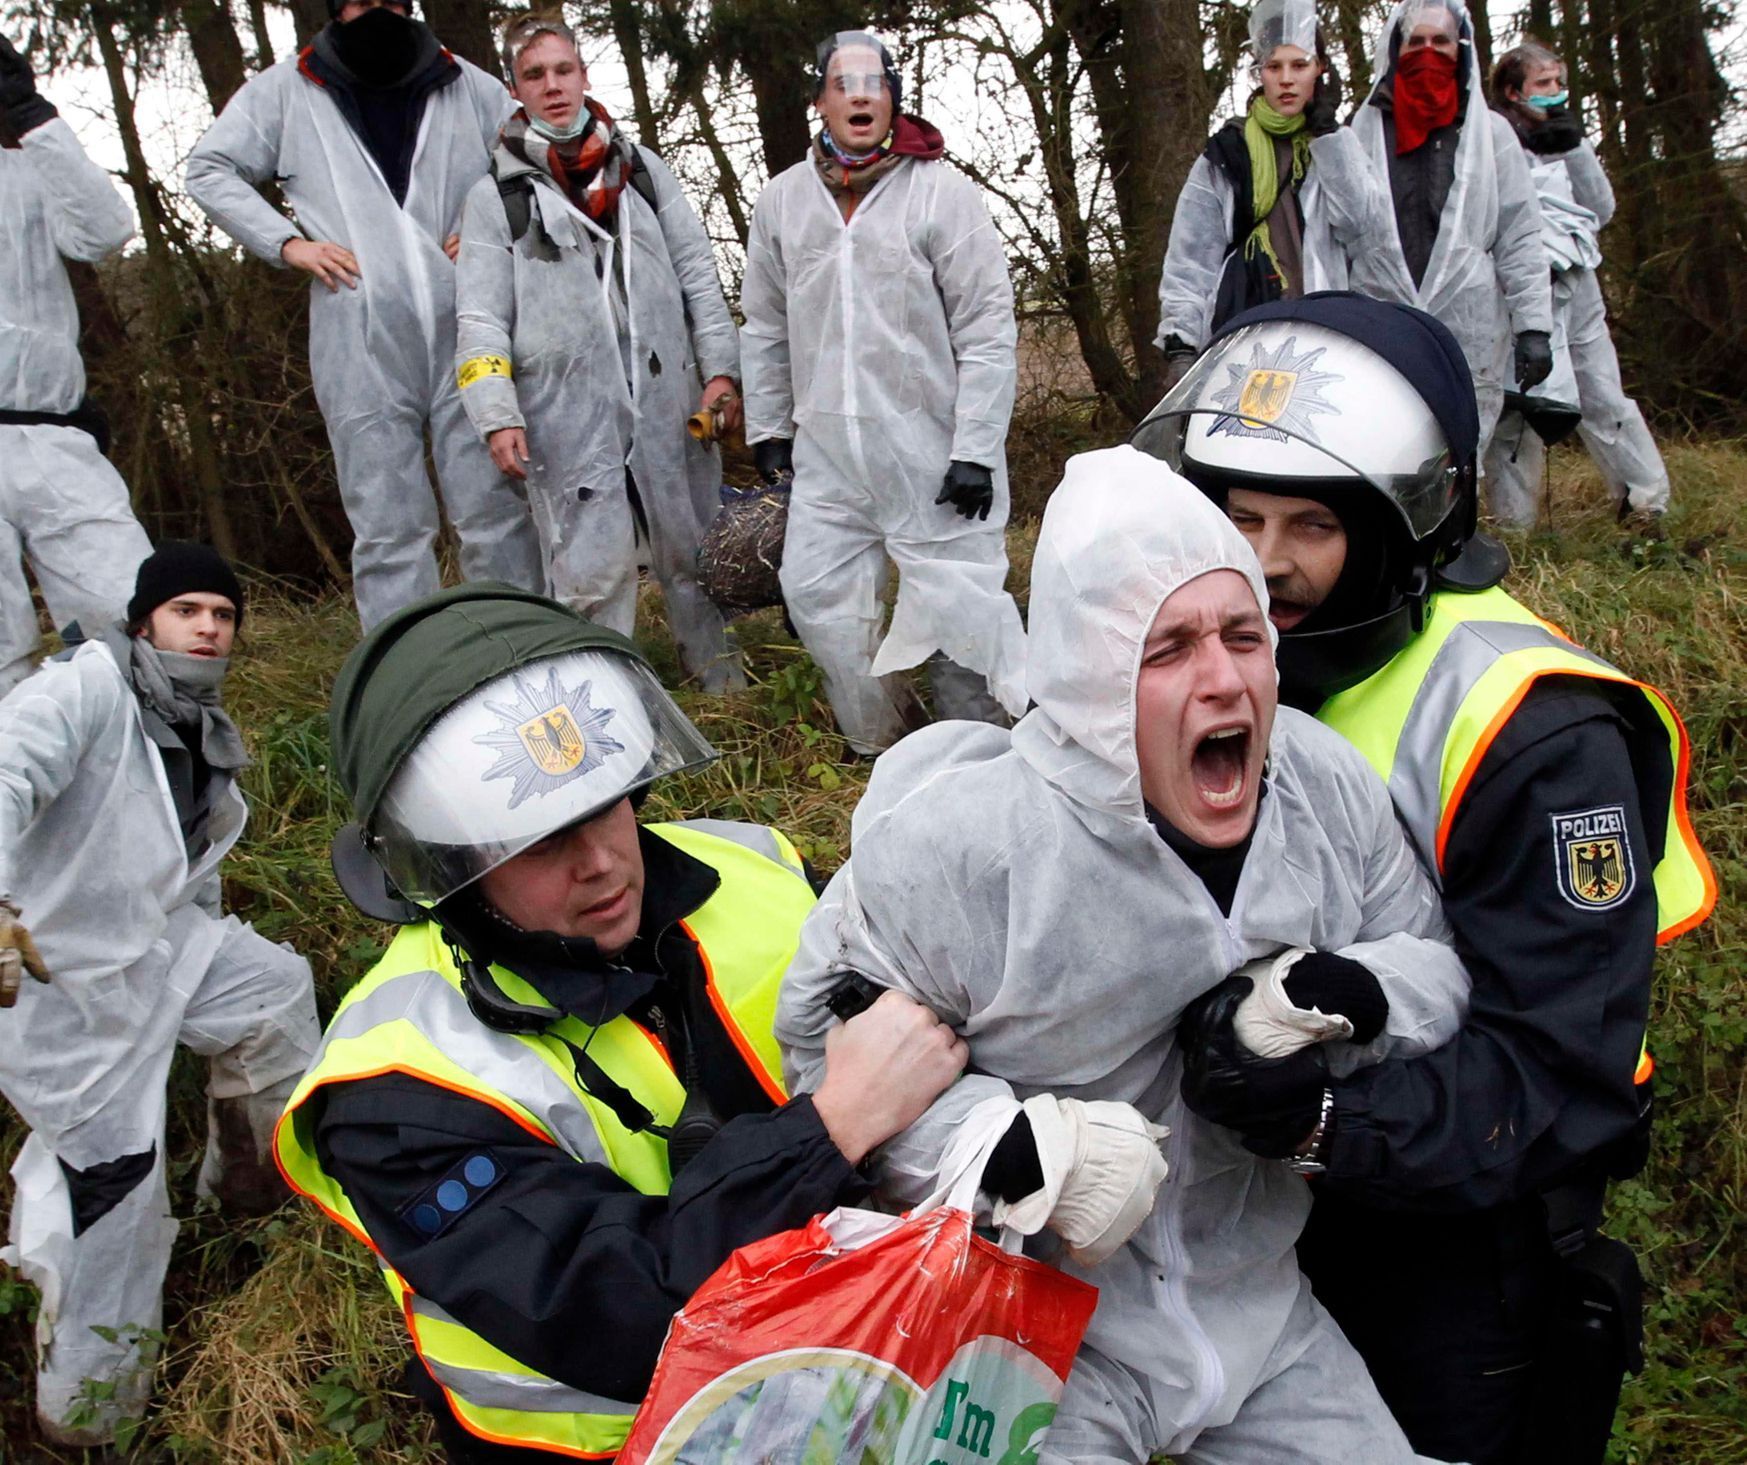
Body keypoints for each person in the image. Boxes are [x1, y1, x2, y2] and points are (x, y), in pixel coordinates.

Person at [778, 446, 1473, 1462]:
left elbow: (1433, 956)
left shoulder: (1320, 786)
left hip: (1260, 1316)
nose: (1224, 677)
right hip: (1029, 1336)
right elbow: (822, 1044)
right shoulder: (969, 845)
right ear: (1093, 682)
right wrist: (1015, 1154)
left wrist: (1350, 991)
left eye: (1243, 635)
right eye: (1169, 648)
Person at [1134, 291, 1714, 1463]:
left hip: (1452, 1240)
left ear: (1404, 525)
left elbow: (1551, 1071)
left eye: (1310, 524)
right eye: (1237, 515)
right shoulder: (1226, 663)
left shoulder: (1531, 730)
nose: (1264, 564)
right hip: (1260, 1217)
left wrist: (1315, 1121)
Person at [277, 583, 967, 1461]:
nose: (602, 862)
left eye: (605, 804)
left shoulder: (752, 864)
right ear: (450, 863)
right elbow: (610, 1305)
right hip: (611, 1444)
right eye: (538, 840)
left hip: (868, 1363)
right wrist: (831, 1128)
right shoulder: (395, 1086)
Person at [0, 542, 320, 1446]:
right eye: (188, 610)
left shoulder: (195, 721)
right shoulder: (86, 690)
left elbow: (178, 858)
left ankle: (252, 1185)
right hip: (56, 983)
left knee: (273, 992)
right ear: (146, 620)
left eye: (223, 615)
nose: (209, 628)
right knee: (114, 1194)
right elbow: (4, 769)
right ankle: (86, 1416)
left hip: (153, 944)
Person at [185, 0, 542, 630]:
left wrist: (490, 221)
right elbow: (211, 169)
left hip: (470, 321)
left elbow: (531, 148)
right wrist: (286, 242)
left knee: (495, 508)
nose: (375, 10)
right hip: (359, 330)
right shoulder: (287, 89)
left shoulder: (462, 82)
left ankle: (518, 651)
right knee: (388, 524)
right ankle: (410, 674)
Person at [740, 29, 1027, 756]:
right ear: (820, 101)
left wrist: (974, 448)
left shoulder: (940, 193)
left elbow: (988, 328)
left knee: (963, 610)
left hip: (934, 452)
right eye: (843, 83)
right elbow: (765, 323)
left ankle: (985, 751)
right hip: (829, 457)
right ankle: (883, 743)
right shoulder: (783, 202)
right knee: (819, 596)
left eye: (873, 82)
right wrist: (769, 426)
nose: (859, 95)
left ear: (893, 97)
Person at [454, 15, 744, 692]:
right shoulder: (495, 197)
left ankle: (727, 698)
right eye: (534, 75)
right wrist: (496, 412)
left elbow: (699, 276)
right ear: (513, 88)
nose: (552, 86)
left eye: (562, 70)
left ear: (584, 74)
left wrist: (721, 374)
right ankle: (608, 717)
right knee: (592, 571)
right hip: (565, 416)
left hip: (669, 404)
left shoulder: (641, 171)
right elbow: (479, 318)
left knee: (694, 552)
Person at [0, 32, 151, 695]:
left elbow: (103, 229)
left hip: (54, 433)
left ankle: (158, 790)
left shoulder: (28, 167)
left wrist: (31, 115)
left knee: (134, 621)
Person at [1348, 0, 1552, 462]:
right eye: (1415, 41)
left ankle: (1457, 530)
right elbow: (1334, 232)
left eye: (1440, 41)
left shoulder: (1492, 134)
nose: (1427, 52)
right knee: (1381, 439)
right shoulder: (1364, 129)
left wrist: (1534, 326)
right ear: (1396, 50)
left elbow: (1519, 233)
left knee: (1461, 440)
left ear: (1461, 49)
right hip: (1379, 316)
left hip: (1470, 321)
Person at [1485, 41, 1671, 533]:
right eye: (1541, 84)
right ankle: (1513, 528)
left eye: (1557, 83)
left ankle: (1646, 505)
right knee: (1518, 409)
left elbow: (1601, 208)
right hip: (1518, 289)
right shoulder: (1492, 140)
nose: (1553, 93)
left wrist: (1575, 149)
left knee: (1604, 395)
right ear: (1512, 90)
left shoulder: (1567, 137)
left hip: (1578, 281)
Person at [1157, 0, 1384, 388]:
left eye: (1299, 65)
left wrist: (1328, 139)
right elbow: (1191, 257)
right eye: (1274, 66)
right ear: (1259, 72)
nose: (1286, 79)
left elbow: (1362, 226)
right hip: (1240, 332)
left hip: (1325, 334)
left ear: (1320, 69)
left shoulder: (1340, 145)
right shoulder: (1227, 153)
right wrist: (1181, 343)